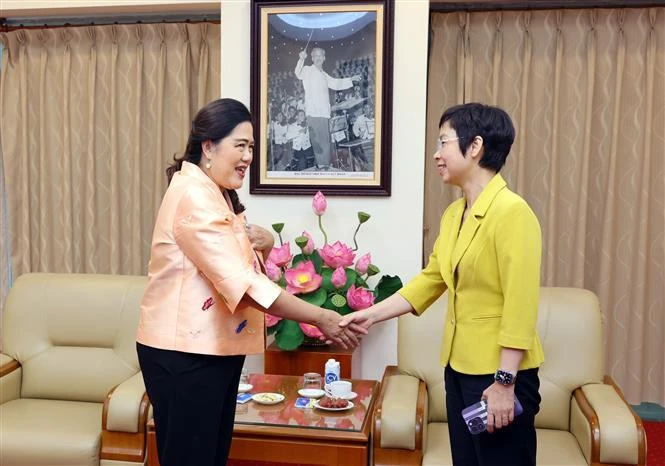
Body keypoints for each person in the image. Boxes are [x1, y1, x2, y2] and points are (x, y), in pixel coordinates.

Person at [136, 98, 366, 466]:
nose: (248, 156)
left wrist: (268, 242)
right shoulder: (194, 196)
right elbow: (245, 283)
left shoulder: (218, 193)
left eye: (252, 147)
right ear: (208, 146)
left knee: (210, 456)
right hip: (185, 353)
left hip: (211, 348)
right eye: (240, 146)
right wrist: (321, 317)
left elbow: (237, 261)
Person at [341, 103, 544, 466]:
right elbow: (431, 279)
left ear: (476, 146)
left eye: (444, 142)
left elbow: (521, 305)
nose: (437, 154)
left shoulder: (513, 213)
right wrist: (370, 315)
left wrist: (504, 382)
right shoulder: (454, 214)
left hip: (497, 374)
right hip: (458, 367)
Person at [295, 47, 361, 170]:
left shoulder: (324, 75)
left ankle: (324, 166)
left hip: (324, 112)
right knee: (317, 142)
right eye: (315, 55)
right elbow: (298, 73)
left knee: (326, 141)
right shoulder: (307, 70)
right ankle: (322, 166)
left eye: (320, 55)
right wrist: (301, 59)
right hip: (313, 112)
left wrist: (350, 80)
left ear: (324, 58)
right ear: (312, 58)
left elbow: (335, 83)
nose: (318, 57)